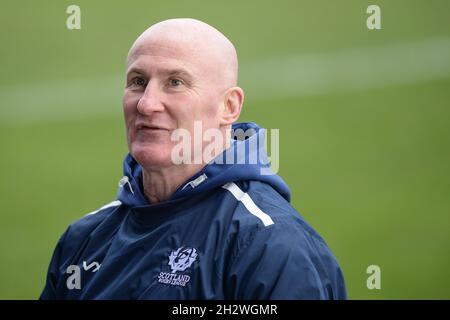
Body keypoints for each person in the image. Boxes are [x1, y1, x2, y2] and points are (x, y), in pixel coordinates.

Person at [40, 18, 346, 299]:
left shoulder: (270, 246)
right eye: (137, 81)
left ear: (229, 106)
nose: (146, 104)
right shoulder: (83, 239)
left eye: (175, 83)